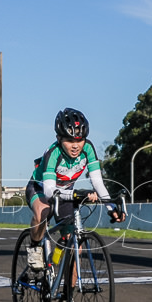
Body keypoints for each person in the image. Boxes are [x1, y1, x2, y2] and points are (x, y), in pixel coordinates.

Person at [26, 108, 124, 279]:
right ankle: (35, 247)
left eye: (80, 140)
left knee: (74, 246)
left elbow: (98, 183)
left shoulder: (89, 149)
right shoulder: (53, 153)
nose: (76, 145)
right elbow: (49, 191)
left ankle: (67, 300)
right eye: (70, 140)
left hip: (66, 193)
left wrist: (110, 207)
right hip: (41, 189)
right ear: (59, 139)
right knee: (43, 211)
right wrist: (76, 194)